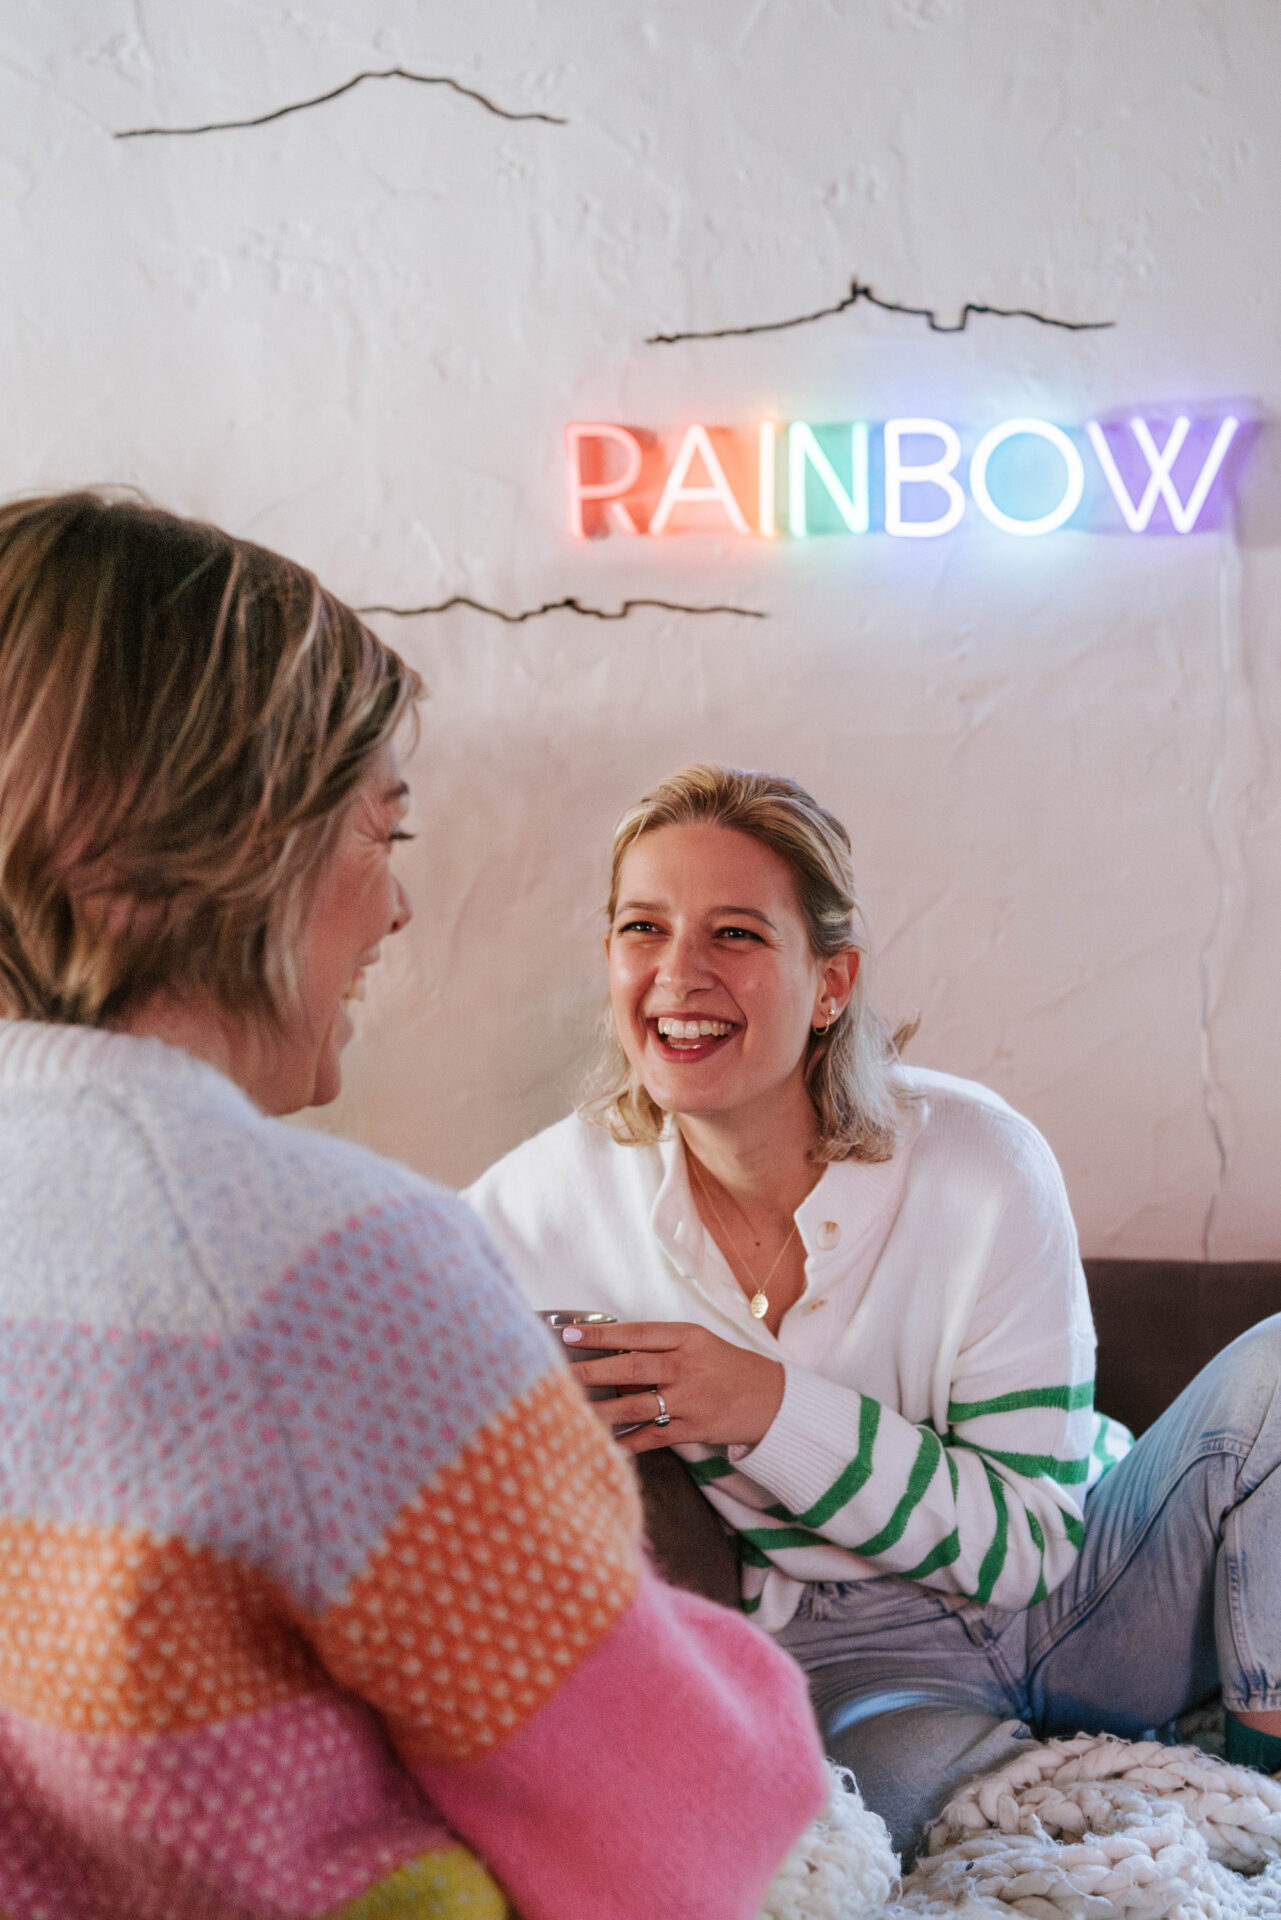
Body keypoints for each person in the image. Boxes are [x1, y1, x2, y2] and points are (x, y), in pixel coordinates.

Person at [0, 500, 829, 1920]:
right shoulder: (324, 1261)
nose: (395, 911)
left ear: (833, 980)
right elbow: (675, 1808)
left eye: (735, 933)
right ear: (232, 842)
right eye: (380, 831)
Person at [465, 761, 1281, 1859]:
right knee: (867, 1847)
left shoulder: (980, 1160)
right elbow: (368, 1377)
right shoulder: (537, 1203)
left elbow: (1033, 1548)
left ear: (831, 983)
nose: (677, 974)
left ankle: (1260, 1792)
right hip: (856, 1658)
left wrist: (761, 1404)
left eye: (737, 935)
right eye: (642, 928)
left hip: (1097, 1577)